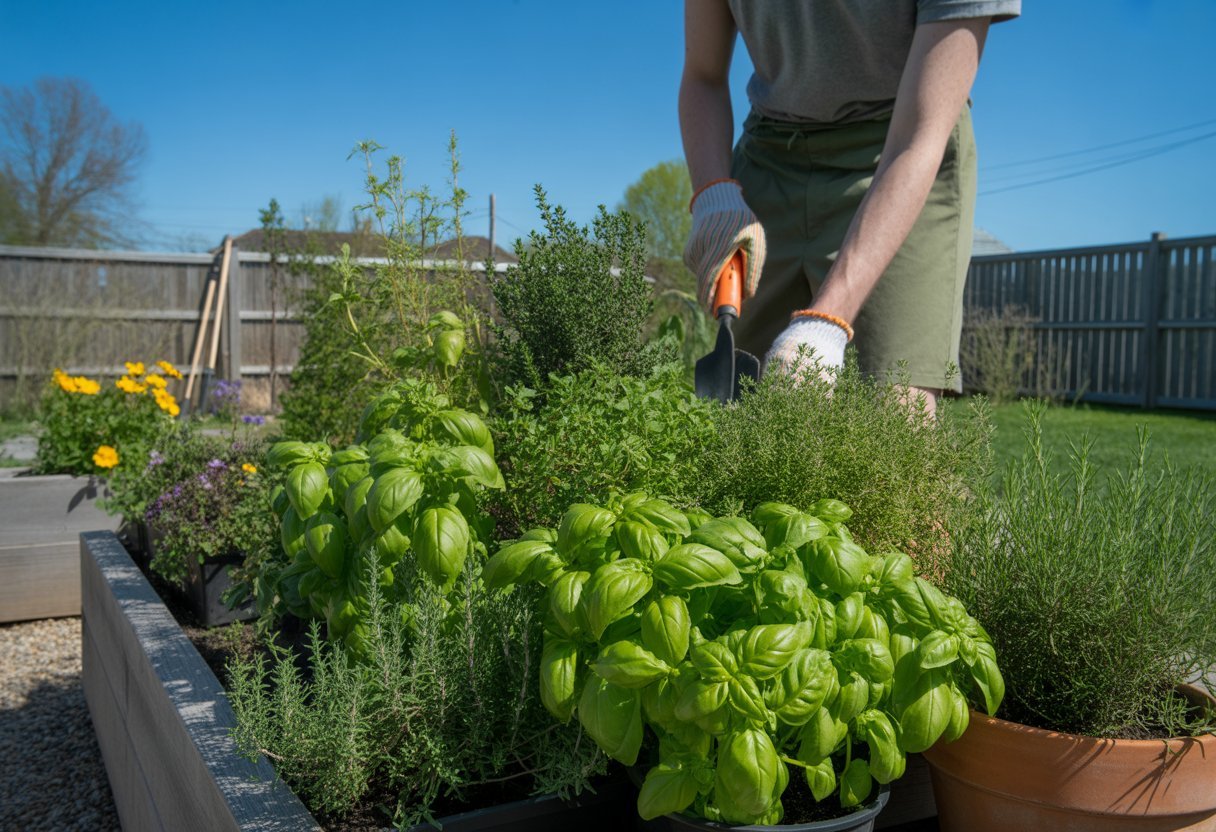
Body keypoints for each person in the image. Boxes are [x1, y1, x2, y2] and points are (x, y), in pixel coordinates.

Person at [681, 0, 1021, 414]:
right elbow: (703, 75)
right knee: (745, 412)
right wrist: (714, 192)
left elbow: (919, 138)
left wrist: (826, 322)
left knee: (894, 416)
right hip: (770, 151)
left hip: (897, 147)